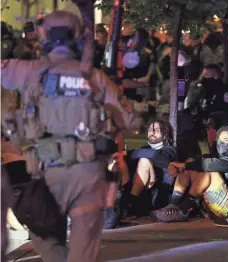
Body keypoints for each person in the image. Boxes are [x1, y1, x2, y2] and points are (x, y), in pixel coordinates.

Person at [1, 10, 135, 262]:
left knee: (45, 233)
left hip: (48, 172)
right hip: (88, 173)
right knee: (84, 246)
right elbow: (126, 120)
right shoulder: (95, 77)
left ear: (45, 37)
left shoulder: (29, 71)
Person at [152, 126, 228, 227]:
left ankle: (182, 210)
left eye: (226, 140)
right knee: (191, 163)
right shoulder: (222, 157)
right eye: (219, 140)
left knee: (207, 171)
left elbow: (210, 165)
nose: (221, 144)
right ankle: (172, 206)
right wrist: (185, 165)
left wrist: (182, 165)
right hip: (219, 203)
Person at [120, 119, 177, 218]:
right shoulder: (144, 148)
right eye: (150, 130)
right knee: (119, 162)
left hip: (158, 195)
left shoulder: (170, 150)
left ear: (164, 135)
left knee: (144, 161)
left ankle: (128, 206)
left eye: (157, 130)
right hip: (142, 194)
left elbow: (153, 155)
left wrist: (128, 153)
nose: (152, 132)